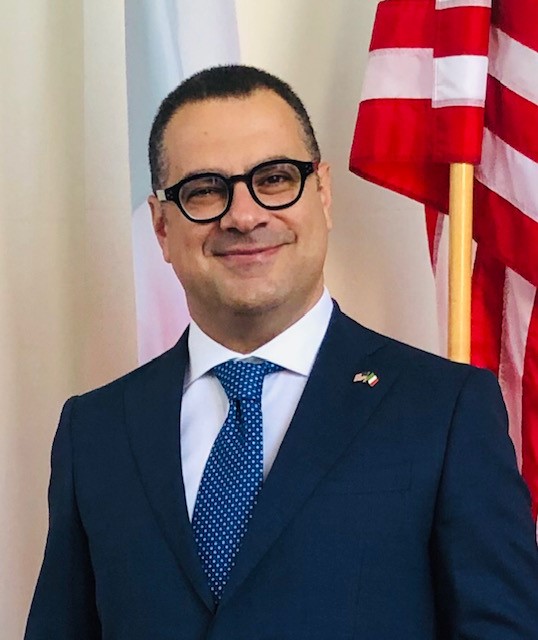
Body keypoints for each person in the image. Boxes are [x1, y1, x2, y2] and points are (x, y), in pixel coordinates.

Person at [25, 65, 538, 640]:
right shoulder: (94, 432)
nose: (244, 216)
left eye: (273, 179)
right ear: (163, 227)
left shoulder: (445, 411)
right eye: (204, 190)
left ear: (323, 193)